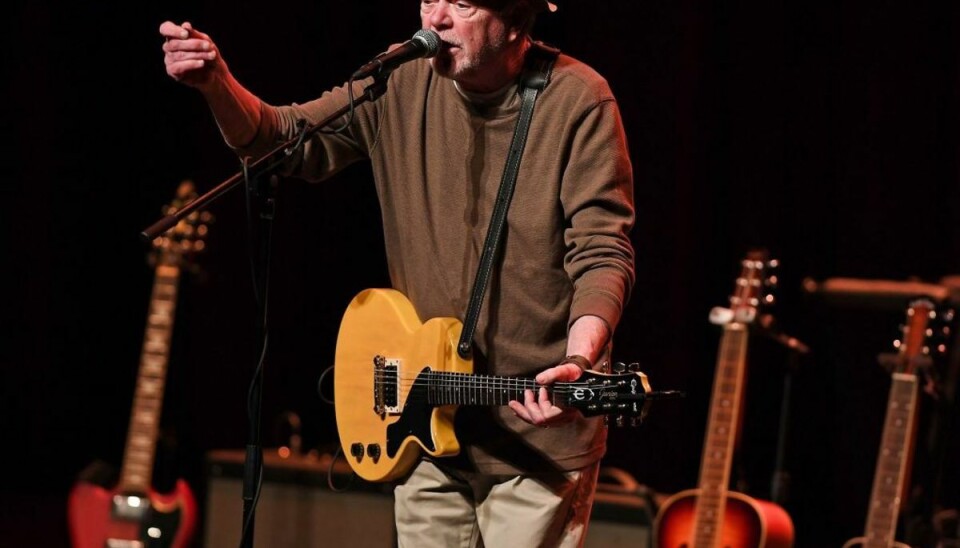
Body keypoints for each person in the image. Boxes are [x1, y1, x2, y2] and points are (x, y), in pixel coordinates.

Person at [160, 0, 635, 545]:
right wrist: (217, 83)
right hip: (422, 422)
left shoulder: (579, 99)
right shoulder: (400, 78)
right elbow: (285, 140)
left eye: (460, 3)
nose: (434, 19)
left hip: (534, 442)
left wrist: (580, 358)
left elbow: (602, 252)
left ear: (516, 17)